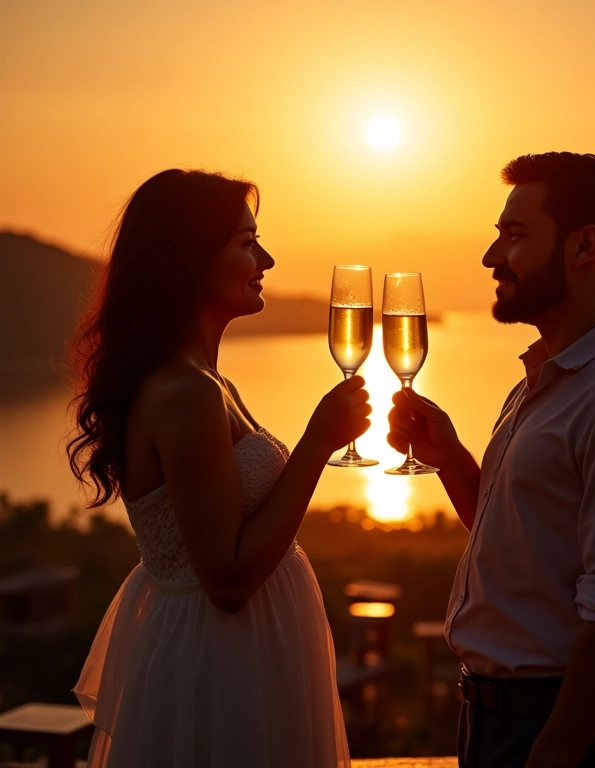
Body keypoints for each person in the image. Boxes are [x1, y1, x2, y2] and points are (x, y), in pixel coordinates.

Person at [387, 152, 595, 768]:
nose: (490, 256)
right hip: (494, 722)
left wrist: (552, 754)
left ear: (584, 247)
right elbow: (521, 543)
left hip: (563, 734)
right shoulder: (547, 378)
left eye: (514, 235)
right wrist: (450, 457)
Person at [67, 169, 369, 767]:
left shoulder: (210, 382)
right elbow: (226, 581)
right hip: (220, 665)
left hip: (244, 653)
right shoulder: (186, 392)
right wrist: (316, 443)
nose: (268, 258)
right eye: (246, 242)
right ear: (192, 259)